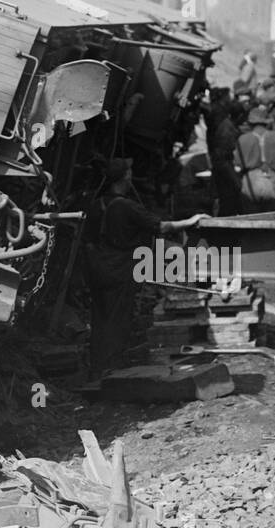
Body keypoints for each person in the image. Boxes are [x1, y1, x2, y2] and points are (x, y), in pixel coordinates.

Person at [85, 158, 204, 374]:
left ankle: (97, 365)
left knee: (100, 317)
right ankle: (111, 367)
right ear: (125, 177)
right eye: (129, 171)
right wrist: (190, 220)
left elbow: (89, 240)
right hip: (120, 268)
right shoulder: (126, 206)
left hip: (98, 267)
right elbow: (161, 226)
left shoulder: (96, 204)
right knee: (119, 317)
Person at [236, 106, 275, 214]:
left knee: (252, 221)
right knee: (273, 222)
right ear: (267, 122)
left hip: (250, 183)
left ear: (250, 123)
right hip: (273, 181)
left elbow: (237, 164)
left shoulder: (242, 139)